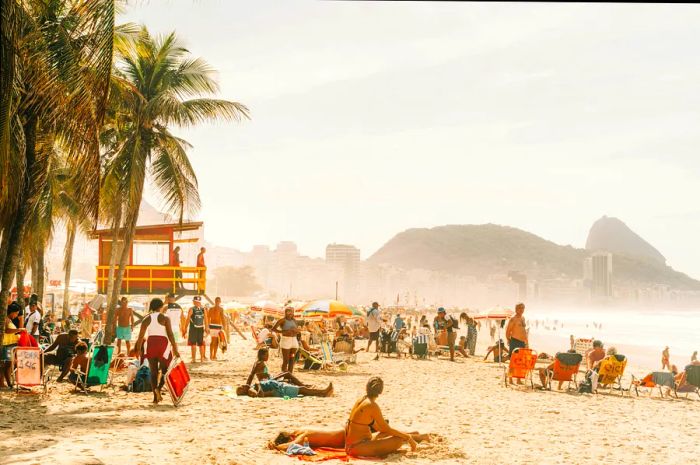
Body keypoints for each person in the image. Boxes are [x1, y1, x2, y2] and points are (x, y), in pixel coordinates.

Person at [345, 377, 430, 457]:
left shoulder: (362, 399)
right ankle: (413, 438)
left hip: (352, 445)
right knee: (398, 440)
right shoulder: (372, 405)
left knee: (389, 434)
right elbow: (387, 429)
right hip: (357, 447)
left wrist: (402, 435)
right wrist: (408, 438)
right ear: (380, 391)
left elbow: (380, 429)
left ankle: (415, 436)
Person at [134, 298, 181, 404]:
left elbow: (140, 336)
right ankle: (158, 389)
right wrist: (175, 348)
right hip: (162, 344)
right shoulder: (165, 317)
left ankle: (155, 398)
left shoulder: (146, 319)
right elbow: (170, 334)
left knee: (153, 372)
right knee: (166, 371)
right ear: (160, 306)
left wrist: (138, 349)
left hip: (151, 344)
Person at [245, 347, 310, 387]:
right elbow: (251, 375)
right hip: (267, 381)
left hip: (270, 378)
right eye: (266, 355)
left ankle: (302, 385)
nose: (268, 357)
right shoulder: (259, 364)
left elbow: (252, 374)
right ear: (262, 355)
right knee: (287, 374)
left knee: (286, 376)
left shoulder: (258, 362)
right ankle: (303, 386)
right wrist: (247, 385)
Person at [1, 304, 25, 388]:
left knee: (8, 364)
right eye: (16, 313)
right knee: (7, 364)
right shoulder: (6, 319)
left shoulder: (9, 320)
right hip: (6, 345)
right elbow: (7, 330)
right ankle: (8, 384)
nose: (16, 316)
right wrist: (19, 329)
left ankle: (8, 383)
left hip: (10, 345)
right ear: (12, 312)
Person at [272, 307, 299, 373]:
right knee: (286, 360)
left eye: (292, 312)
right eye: (289, 311)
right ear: (285, 312)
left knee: (292, 358)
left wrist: (297, 331)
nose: (290, 313)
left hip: (294, 341)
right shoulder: (282, 320)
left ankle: (290, 374)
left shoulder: (294, 320)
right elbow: (273, 329)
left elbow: (297, 330)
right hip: (286, 341)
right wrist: (283, 332)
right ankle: (284, 374)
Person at [236, 380, 333, 398]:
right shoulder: (250, 390)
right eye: (241, 387)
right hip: (280, 389)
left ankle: (321, 393)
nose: (243, 385)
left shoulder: (252, 387)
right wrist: (260, 387)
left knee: (303, 390)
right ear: (243, 391)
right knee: (302, 389)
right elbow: (258, 394)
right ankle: (323, 392)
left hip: (279, 387)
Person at [185, 296, 209, 363]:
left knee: (193, 344)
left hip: (193, 328)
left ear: (194, 301)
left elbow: (187, 319)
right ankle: (201, 359)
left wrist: (185, 328)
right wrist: (206, 328)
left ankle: (193, 359)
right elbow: (206, 320)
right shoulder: (203, 309)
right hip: (201, 328)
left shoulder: (191, 309)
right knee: (201, 344)